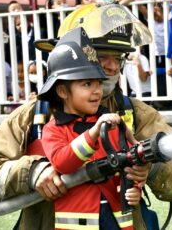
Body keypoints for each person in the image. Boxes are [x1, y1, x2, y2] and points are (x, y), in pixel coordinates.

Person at [0, 3, 172, 230]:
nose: (112, 67)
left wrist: (150, 165)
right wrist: (32, 172)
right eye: (102, 56)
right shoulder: (32, 116)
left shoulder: (137, 114)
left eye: (118, 57)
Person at [39, 27, 141, 229]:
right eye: (87, 84)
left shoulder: (111, 124)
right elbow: (62, 163)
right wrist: (93, 134)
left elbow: (129, 162)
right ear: (61, 90)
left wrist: (136, 187)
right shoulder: (53, 130)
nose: (97, 91)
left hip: (117, 222)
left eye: (98, 83)